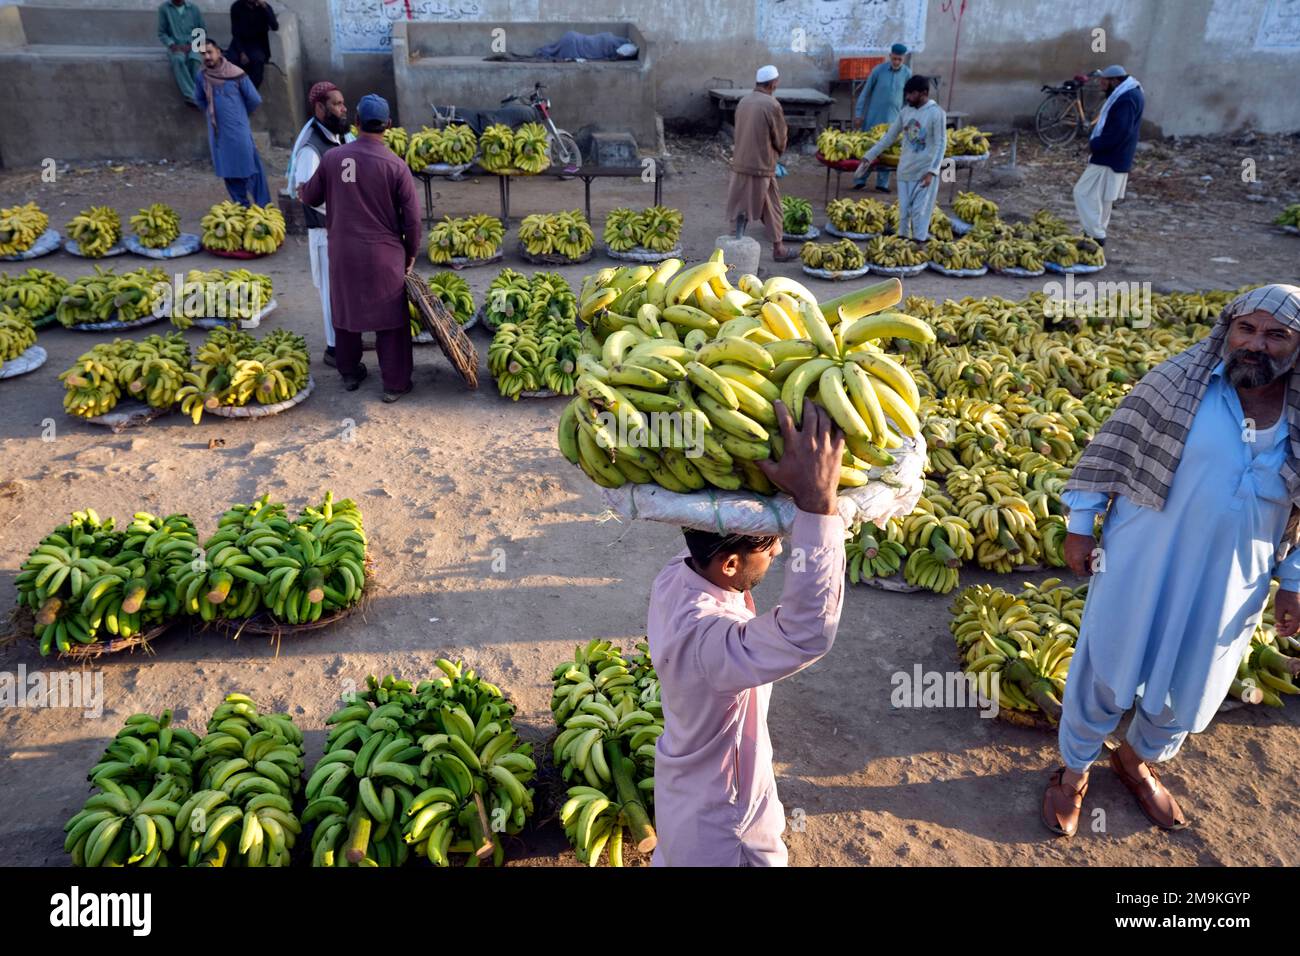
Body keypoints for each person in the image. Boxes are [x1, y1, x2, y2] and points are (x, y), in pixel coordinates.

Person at [1043, 284, 1300, 838]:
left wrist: (1294, 581)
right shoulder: (1178, 383)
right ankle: (1073, 770)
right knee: (1107, 664)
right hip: (1144, 556)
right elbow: (1111, 447)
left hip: (1235, 577)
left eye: (1277, 334)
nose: (1256, 344)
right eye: (1246, 329)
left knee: (1195, 677)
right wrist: (1081, 526)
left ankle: (1137, 759)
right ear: (1227, 332)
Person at [648, 398, 847, 866]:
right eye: (769, 544)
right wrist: (818, 507)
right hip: (722, 827)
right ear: (731, 563)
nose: (778, 550)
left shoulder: (678, 576)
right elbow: (804, 633)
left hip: (689, 794)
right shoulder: (707, 642)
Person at [299, 94, 422, 403]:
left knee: (346, 312)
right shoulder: (396, 166)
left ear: (356, 122)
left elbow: (311, 197)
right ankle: (395, 384)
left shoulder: (332, 158)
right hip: (384, 256)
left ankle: (350, 372)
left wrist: (305, 189)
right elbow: (412, 221)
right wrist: (410, 255)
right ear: (389, 125)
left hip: (343, 253)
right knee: (391, 321)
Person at [289, 82, 352, 368]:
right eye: (337, 104)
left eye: (343, 103)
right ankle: (334, 348)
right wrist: (347, 207)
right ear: (320, 108)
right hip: (325, 232)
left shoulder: (340, 137)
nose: (343, 108)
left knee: (346, 290)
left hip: (345, 230)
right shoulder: (311, 148)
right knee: (330, 293)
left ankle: (348, 338)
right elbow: (307, 193)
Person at [855, 75, 946, 243]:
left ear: (924, 93)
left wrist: (932, 172)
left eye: (912, 94)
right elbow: (889, 138)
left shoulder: (937, 113)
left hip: (924, 172)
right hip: (905, 170)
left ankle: (919, 245)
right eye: (907, 94)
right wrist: (869, 156)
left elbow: (941, 144)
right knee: (903, 212)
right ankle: (903, 244)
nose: (908, 97)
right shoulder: (905, 112)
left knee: (920, 212)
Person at [725, 65, 793, 263]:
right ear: (773, 83)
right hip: (762, 165)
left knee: (739, 203)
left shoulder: (744, 101)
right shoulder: (772, 104)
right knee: (772, 206)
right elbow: (780, 137)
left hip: (740, 162)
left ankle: (732, 247)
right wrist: (778, 151)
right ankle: (778, 248)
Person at [1072, 64, 1144, 249]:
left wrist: (1096, 145)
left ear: (1115, 81)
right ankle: (1094, 232)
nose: (1102, 86)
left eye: (1104, 82)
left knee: (1083, 192)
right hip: (1117, 155)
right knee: (1103, 197)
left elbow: (1119, 131)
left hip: (1109, 156)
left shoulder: (1126, 99)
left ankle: (1095, 234)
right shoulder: (1129, 93)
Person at [194, 39, 270, 207]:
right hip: (218, 133)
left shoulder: (236, 74)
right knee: (228, 169)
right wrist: (214, 113)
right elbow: (199, 99)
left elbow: (254, 99)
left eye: (210, 52)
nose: (207, 56)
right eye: (203, 54)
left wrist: (239, 115)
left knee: (251, 167)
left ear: (219, 52)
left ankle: (264, 209)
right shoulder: (202, 76)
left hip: (238, 129)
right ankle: (241, 208)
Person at [852, 42, 911, 192]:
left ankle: (882, 184)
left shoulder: (907, 74)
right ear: (890, 56)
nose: (896, 62)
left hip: (894, 120)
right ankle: (860, 179)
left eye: (900, 59)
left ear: (903, 59)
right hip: (873, 118)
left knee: (888, 151)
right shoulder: (878, 71)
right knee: (868, 147)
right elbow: (865, 93)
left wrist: (907, 118)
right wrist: (859, 114)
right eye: (894, 58)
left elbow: (908, 99)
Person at [156, 0, 206, 107]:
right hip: (175, 46)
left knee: (195, 60)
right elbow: (162, 33)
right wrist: (172, 45)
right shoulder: (164, 9)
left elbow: (201, 31)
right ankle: (191, 95)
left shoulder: (194, 9)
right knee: (178, 60)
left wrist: (192, 45)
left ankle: (198, 94)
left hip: (192, 45)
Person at [227, 0, 278, 89]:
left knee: (257, 61)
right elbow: (235, 32)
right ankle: (233, 91)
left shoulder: (264, 7)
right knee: (231, 60)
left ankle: (251, 92)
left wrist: (264, 7)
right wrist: (242, 52)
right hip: (239, 43)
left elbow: (274, 26)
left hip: (257, 44)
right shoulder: (236, 7)